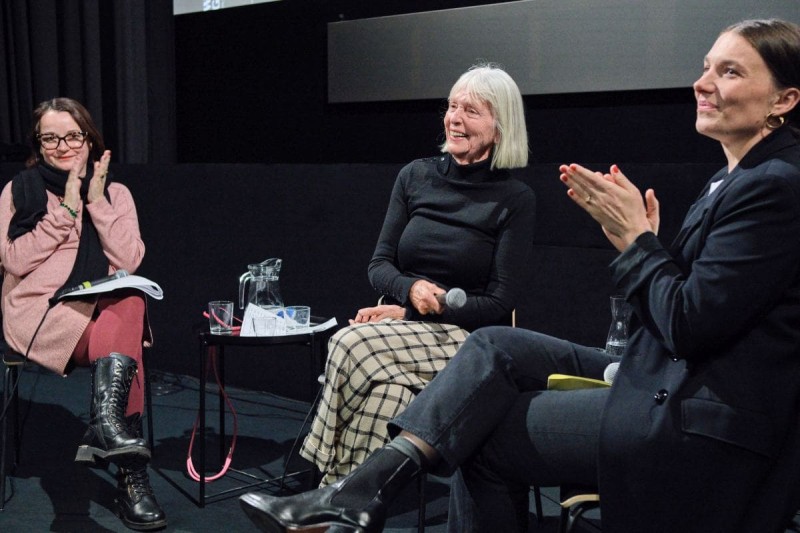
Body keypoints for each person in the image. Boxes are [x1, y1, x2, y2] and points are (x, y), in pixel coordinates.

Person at [240, 17, 800, 533]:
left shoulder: (773, 184)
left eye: (729, 71)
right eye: (705, 67)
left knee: (468, 425)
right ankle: (351, 494)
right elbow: (694, 302)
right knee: (491, 347)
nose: (702, 83)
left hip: (692, 409)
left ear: (784, 99)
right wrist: (645, 246)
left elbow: (689, 324)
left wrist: (639, 243)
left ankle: (346, 494)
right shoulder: (731, 179)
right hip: (654, 372)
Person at [298, 64, 536, 485]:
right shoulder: (415, 176)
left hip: (468, 341)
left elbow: (500, 304)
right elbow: (379, 265)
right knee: (386, 395)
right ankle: (340, 503)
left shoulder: (514, 199)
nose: (455, 118)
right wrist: (411, 289)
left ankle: (313, 478)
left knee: (348, 343)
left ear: (500, 128)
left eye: (471, 111)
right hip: (401, 336)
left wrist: (410, 314)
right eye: (452, 106)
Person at [0, 98, 166, 530]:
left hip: (102, 308)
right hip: (42, 310)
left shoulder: (116, 193)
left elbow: (130, 257)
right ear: (38, 143)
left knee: (129, 300)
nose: (62, 146)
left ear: (89, 138)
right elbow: (14, 262)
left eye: (72, 135)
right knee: (129, 337)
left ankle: (109, 428)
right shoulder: (20, 190)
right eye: (50, 138)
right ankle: (132, 475)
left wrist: (95, 202)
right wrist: (67, 211)